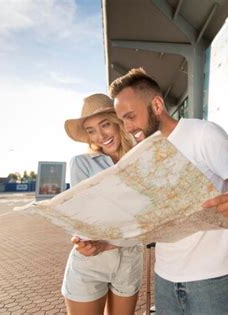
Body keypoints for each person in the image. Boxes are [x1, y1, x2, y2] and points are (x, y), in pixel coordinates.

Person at [108, 68, 228, 314]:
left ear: (157, 105)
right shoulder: (144, 153)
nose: (127, 127)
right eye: (123, 120)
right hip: (165, 277)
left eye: (131, 116)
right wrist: (103, 240)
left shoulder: (203, 134)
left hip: (211, 279)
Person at [62, 93, 143, 315]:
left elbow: (152, 221)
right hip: (91, 260)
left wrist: (111, 241)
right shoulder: (81, 164)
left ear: (118, 123)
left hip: (129, 259)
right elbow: (85, 216)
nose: (100, 136)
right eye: (91, 131)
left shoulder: (142, 159)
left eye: (105, 125)